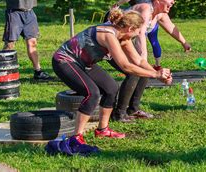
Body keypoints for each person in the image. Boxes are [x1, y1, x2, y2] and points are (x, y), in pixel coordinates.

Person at [49, 10, 172, 155]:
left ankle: (102, 129)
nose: (137, 36)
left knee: (111, 88)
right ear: (130, 28)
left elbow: (138, 61)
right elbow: (126, 66)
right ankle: (76, 138)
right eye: (138, 32)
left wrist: (159, 72)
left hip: (85, 63)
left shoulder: (124, 38)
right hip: (65, 61)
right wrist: (155, 74)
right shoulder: (109, 34)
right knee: (92, 93)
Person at [111, 0, 191, 122]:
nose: (173, 2)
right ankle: (119, 113)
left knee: (144, 71)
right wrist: (143, 59)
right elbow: (141, 34)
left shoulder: (159, 14)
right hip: (112, 40)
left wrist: (184, 42)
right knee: (135, 71)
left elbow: (171, 27)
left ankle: (133, 109)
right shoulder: (146, 8)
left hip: (126, 42)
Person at [112, 0, 163, 67]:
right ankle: (157, 65)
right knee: (153, 40)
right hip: (150, 12)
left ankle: (139, 65)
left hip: (140, 14)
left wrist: (117, 4)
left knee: (135, 39)